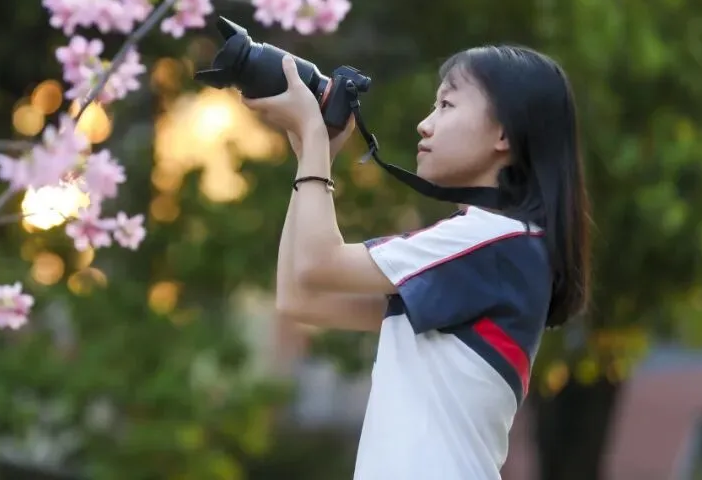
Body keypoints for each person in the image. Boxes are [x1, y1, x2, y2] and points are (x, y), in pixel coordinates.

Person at [243, 46, 591, 480]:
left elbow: (316, 265)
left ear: (504, 133)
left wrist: (315, 139)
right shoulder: (493, 252)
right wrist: (313, 158)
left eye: (446, 104)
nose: (424, 124)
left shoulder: (492, 241)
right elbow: (300, 298)